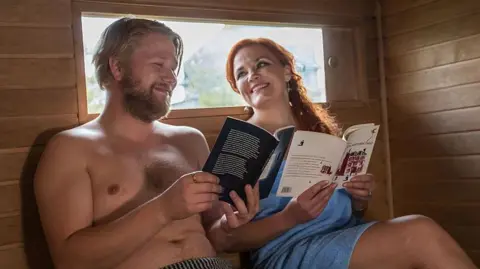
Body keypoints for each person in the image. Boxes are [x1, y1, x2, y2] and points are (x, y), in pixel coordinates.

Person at [220, 37, 478, 269]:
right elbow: (226, 239)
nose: (252, 75)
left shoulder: (318, 131)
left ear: (287, 71)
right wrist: (290, 217)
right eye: (241, 73)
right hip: (288, 251)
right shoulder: (242, 143)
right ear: (238, 88)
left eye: (261, 64)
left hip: (346, 235)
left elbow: (353, 213)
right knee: (420, 233)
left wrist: (358, 199)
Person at [33, 17, 260, 269]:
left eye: (174, 68)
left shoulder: (190, 140)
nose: (171, 78)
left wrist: (229, 225)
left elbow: (215, 236)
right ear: (117, 67)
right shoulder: (70, 149)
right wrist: (164, 209)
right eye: (158, 65)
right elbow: (68, 261)